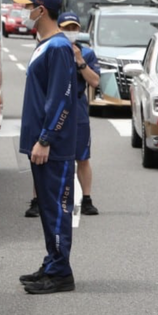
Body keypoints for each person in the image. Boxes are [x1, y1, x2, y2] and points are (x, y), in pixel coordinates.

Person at [13, 0, 79, 295]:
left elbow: (61, 98)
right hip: (41, 142)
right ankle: (52, 262)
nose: (25, 12)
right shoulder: (47, 45)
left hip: (53, 144)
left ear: (42, 9)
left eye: (28, 7)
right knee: (48, 208)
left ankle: (60, 272)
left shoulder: (58, 48)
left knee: (56, 207)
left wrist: (46, 138)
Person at [57, 12, 101, 216]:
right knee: (45, 157)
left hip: (78, 109)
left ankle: (87, 199)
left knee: (82, 157)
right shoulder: (51, 50)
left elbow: (94, 81)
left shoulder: (87, 53)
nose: (70, 32)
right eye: (66, 28)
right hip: (54, 108)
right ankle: (38, 199)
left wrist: (79, 60)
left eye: (74, 28)